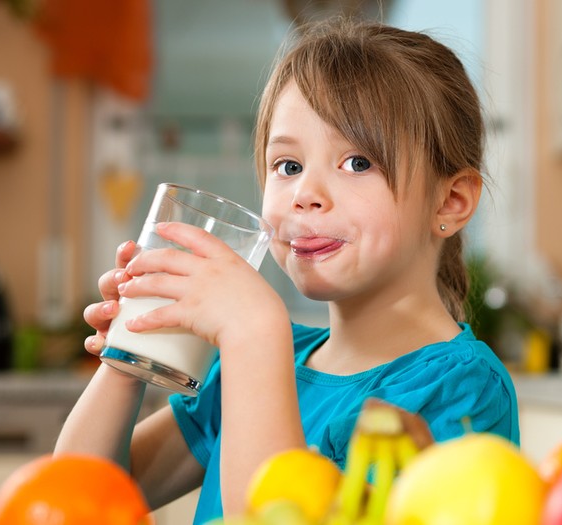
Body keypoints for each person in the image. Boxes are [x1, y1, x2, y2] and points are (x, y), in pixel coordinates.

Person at [55, 17, 519, 524]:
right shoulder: (263, 364)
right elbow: (78, 500)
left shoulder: (464, 390)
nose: (304, 195)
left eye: (358, 162)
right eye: (288, 166)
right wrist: (128, 357)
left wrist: (254, 334)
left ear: (450, 201)